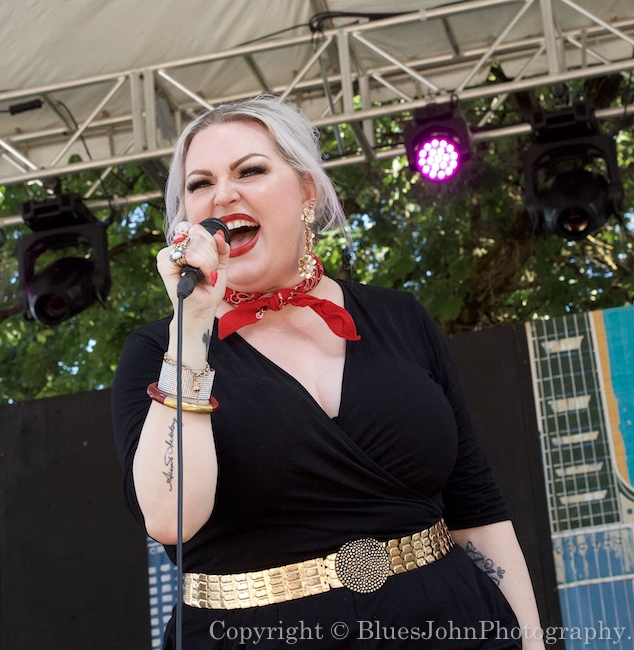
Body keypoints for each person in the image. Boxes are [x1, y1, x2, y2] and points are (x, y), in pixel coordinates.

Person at [112, 95, 544, 648]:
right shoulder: (160, 349)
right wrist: (192, 324)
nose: (223, 194)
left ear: (307, 193)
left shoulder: (399, 317)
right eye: (200, 184)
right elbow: (171, 519)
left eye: (251, 170)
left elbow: (476, 506)